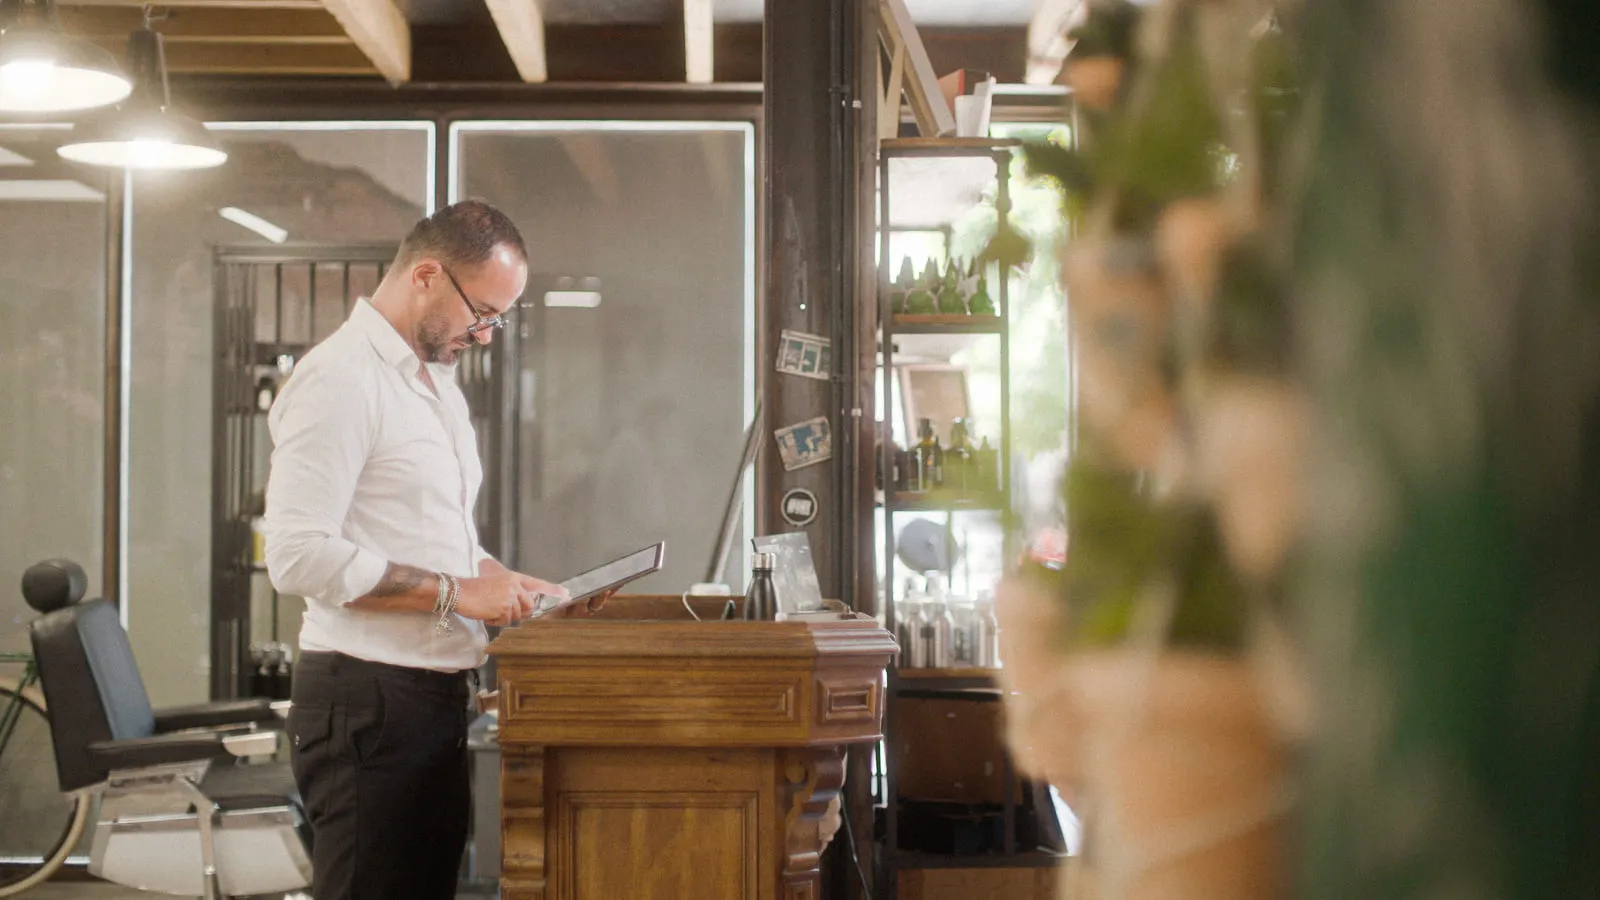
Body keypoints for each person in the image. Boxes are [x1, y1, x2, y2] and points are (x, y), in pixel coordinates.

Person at [263, 199, 592, 899]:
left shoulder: (433, 387)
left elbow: (438, 537)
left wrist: (503, 582)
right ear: (425, 276)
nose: (486, 336)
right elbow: (294, 554)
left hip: (432, 698)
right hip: (366, 700)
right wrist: (456, 593)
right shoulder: (341, 379)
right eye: (483, 313)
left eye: (499, 319)